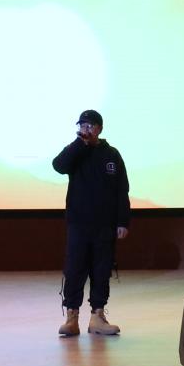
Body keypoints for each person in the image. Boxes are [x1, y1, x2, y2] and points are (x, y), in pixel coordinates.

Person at [52, 109, 130, 337]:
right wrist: (80, 144)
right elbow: (59, 166)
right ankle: (72, 318)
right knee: (74, 269)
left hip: (105, 225)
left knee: (101, 270)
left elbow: (122, 190)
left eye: (90, 126)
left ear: (99, 129)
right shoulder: (75, 151)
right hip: (78, 223)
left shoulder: (111, 155)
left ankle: (97, 317)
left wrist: (123, 221)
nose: (85, 129)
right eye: (82, 125)